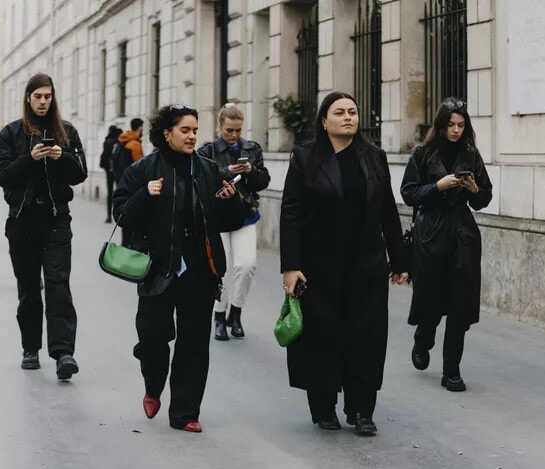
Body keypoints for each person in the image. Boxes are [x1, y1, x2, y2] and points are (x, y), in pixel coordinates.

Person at [280, 91, 408, 436]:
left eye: (352, 111)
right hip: (318, 266)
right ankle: (324, 407)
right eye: (340, 112)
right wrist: (290, 266)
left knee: (366, 337)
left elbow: (387, 210)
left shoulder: (374, 157)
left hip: (366, 264)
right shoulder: (305, 157)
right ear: (324, 121)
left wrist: (399, 259)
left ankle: (362, 410)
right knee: (323, 337)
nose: (348, 117)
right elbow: (291, 213)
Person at [112, 104, 237, 433]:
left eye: (195, 130)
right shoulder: (144, 169)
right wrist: (145, 194)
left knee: (194, 343)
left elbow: (231, 221)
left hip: (199, 268)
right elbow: (121, 214)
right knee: (152, 339)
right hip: (158, 267)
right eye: (185, 130)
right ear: (167, 134)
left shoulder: (209, 170)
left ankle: (185, 412)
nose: (192, 136)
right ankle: (153, 386)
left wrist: (231, 200)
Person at [0, 73, 87, 379]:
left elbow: (80, 173)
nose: (43, 102)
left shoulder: (66, 132)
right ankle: (30, 348)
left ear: (53, 97)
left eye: (48, 96)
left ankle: (63, 353)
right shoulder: (11, 133)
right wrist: (30, 158)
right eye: (38, 96)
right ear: (28, 98)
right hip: (22, 222)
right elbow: (3, 175)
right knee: (29, 289)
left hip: (56, 220)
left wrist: (62, 157)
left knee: (59, 286)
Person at [400, 97, 493, 392]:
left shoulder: (471, 154)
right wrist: (438, 187)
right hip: (430, 233)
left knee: (459, 304)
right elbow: (408, 193)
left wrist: (474, 189)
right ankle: (423, 338)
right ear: (440, 125)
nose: (456, 130)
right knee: (430, 297)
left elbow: (484, 199)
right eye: (451, 125)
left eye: (461, 125)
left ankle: (451, 371)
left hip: (463, 235)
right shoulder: (422, 153)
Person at [197, 103, 270, 341]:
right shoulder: (207, 150)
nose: (234, 135)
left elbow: (263, 182)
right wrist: (227, 171)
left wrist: (250, 170)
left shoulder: (252, 148)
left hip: (245, 215)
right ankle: (219, 316)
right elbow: (199, 180)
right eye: (229, 130)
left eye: (238, 130)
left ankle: (235, 313)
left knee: (247, 266)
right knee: (222, 268)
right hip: (217, 217)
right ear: (220, 126)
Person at [114, 118, 144, 246]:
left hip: (123, 184)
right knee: (132, 228)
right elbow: (141, 168)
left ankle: (124, 248)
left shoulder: (124, 140)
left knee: (125, 223)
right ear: (140, 128)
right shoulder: (135, 145)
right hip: (134, 188)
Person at [99, 125, 122, 223]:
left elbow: (104, 156)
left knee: (110, 193)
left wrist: (104, 166)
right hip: (118, 171)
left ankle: (109, 216)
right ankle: (119, 215)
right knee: (119, 193)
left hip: (109, 170)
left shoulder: (107, 142)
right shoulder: (120, 142)